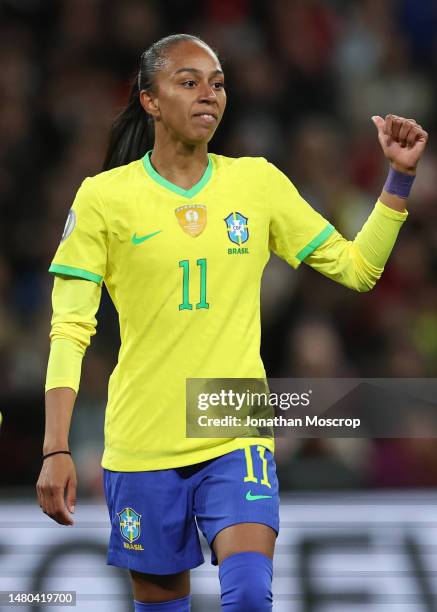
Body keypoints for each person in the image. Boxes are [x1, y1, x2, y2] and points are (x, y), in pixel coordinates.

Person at [36, 33, 428, 612]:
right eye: (188, 82)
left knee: (248, 597)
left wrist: (397, 180)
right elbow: (70, 329)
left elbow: (356, 269)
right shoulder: (103, 199)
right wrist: (56, 447)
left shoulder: (257, 183)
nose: (208, 95)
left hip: (235, 419)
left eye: (217, 83)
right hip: (143, 438)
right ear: (149, 100)